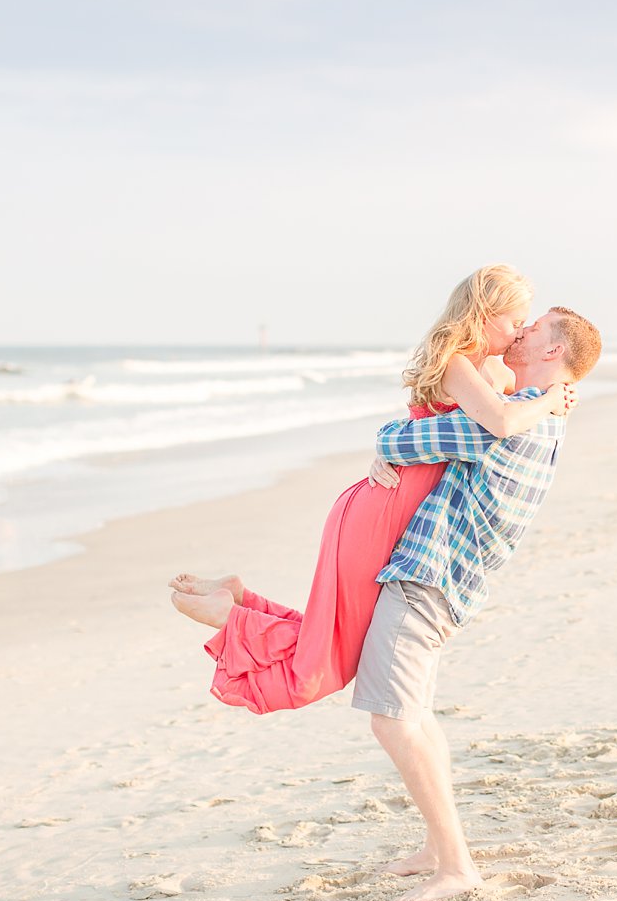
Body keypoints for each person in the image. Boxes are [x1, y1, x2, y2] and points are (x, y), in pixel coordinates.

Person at [168, 265, 574, 714]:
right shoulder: (459, 362)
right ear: (484, 313)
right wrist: (554, 399)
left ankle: (242, 599)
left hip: (400, 508)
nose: (520, 334)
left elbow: (512, 416)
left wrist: (552, 392)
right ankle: (230, 617)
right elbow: (500, 423)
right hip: (386, 508)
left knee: (332, 637)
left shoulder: (497, 374)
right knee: (325, 666)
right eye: (516, 322)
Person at [344, 306, 602, 901]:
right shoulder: (539, 416)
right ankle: (439, 849)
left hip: (429, 576)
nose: (519, 331)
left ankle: (457, 867)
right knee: (417, 714)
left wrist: (387, 446)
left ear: (552, 353)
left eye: (533, 328)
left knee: (394, 719)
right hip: (447, 580)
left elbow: (399, 439)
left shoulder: (507, 422)